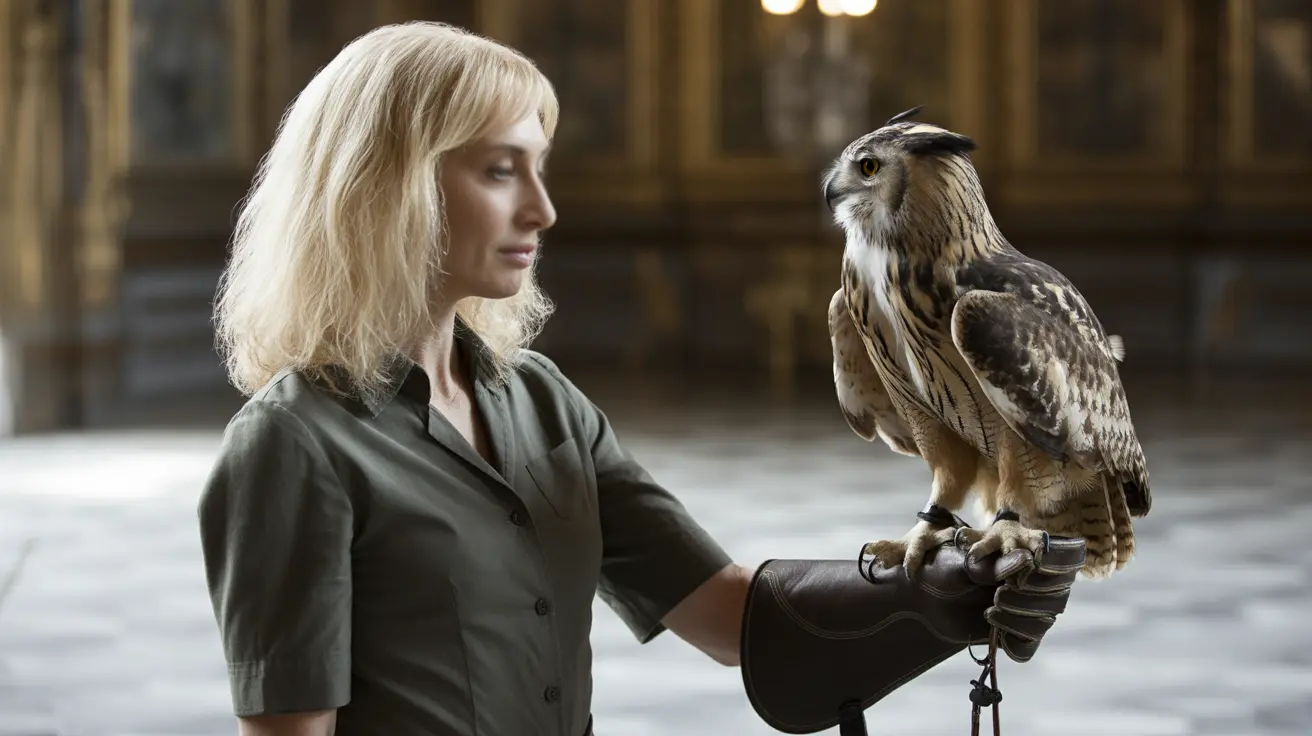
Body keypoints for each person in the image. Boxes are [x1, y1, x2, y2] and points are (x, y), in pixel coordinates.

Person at [197, 21, 1082, 736]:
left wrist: (947, 592)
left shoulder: (541, 404)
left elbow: (731, 617)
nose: (542, 209)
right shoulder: (293, 447)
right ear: (388, 189)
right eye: (501, 170)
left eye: (538, 168)